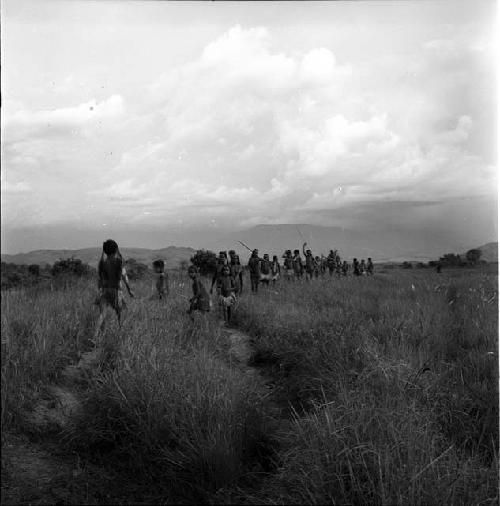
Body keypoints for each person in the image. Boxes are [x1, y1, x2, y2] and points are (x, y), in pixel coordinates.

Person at [94, 239, 134, 340]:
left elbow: (100, 280)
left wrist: (100, 291)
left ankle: (95, 336)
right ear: (116, 249)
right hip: (116, 292)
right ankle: (121, 334)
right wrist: (130, 291)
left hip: (104, 291)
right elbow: (125, 278)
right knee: (120, 314)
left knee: (102, 315)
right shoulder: (118, 263)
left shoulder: (103, 263)